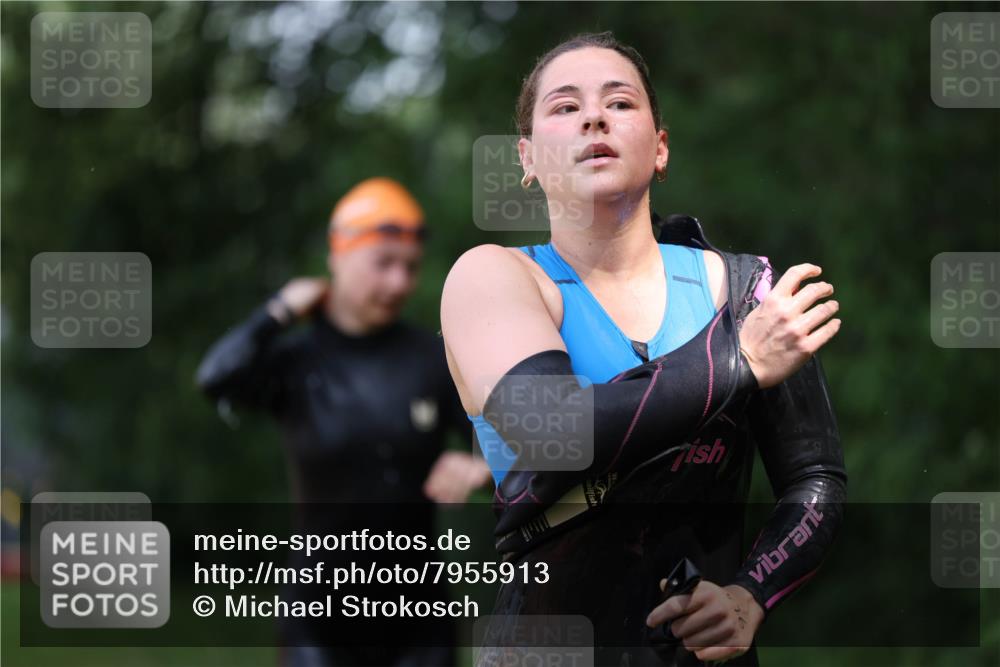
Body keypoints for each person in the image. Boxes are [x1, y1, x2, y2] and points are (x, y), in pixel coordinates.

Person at [441, 32, 847, 666]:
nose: (594, 117)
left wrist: (749, 596)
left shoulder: (744, 291)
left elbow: (814, 479)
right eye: (565, 107)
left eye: (620, 103)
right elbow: (558, 432)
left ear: (660, 148)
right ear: (527, 158)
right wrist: (739, 363)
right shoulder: (493, 279)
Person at [197, 177, 491, 667]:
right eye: (384, 263)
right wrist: (278, 311)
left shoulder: (431, 358)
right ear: (338, 257)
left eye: (411, 268)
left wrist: (480, 466)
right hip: (316, 616)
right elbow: (216, 377)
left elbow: (510, 444)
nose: (400, 282)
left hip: (418, 619)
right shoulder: (297, 362)